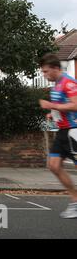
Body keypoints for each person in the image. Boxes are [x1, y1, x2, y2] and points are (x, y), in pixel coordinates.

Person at [39, 53, 77, 218]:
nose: (44, 75)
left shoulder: (68, 83)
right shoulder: (56, 85)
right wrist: (52, 113)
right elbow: (62, 106)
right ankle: (75, 202)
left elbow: (76, 105)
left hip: (73, 131)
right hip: (63, 132)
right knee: (54, 166)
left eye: (46, 71)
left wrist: (52, 105)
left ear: (55, 68)